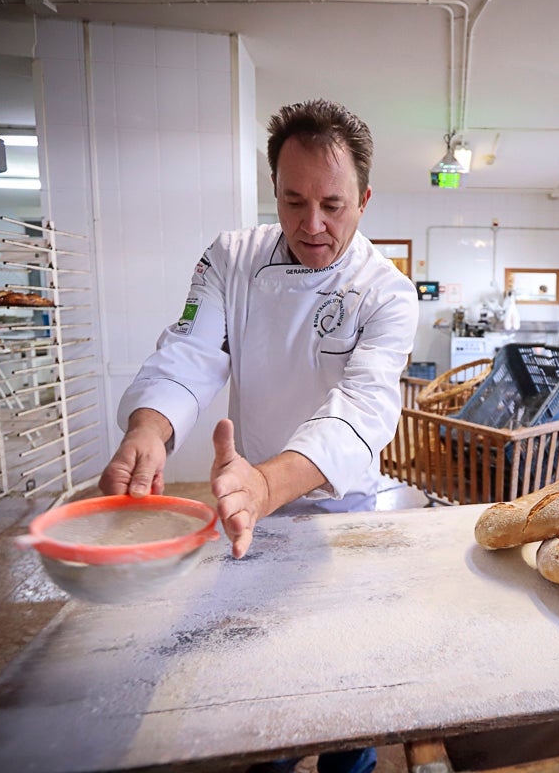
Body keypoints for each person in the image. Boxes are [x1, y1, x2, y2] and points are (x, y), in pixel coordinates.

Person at [99, 99, 413, 772]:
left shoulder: (387, 293)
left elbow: (363, 409)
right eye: (293, 201)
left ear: (364, 197)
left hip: (339, 516)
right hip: (252, 520)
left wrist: (269, 481)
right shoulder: (230, 258)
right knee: (258, 694)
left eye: (333, 204)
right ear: (273, 188)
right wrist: (150, 429)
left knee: (347, 698)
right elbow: (189, 350)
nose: (312, 224)